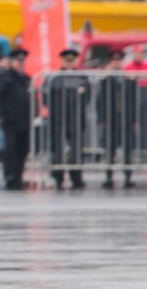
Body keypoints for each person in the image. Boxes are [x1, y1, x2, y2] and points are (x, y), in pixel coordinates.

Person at [47, 49, 88, 189]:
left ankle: (76, 177)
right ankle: (58, 177)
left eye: (72, 61)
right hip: (58, 120)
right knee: (58, 150)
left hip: (76, 119)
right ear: (62, 61)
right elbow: (47, 98)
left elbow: (87, 98)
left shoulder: (82, 78)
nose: (70, 63)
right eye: (67, 61)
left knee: (76, 150)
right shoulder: (55, 78)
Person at [0, 49, 31, 190]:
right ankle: (10, 176)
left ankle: (18, 176)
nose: (20, 64)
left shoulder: (26, 79)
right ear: (12, 62)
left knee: (22, 150)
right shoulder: (5, 78)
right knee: (11, 150)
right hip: (10, 121)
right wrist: (0, 116)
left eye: (22, 62)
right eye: (17, 61)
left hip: (24, 121)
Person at [98, 50, 135, 188]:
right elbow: (100, 100)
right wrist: (102, 119)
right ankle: (108, 177)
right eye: (114, 60)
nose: (117, 62)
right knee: (109, 149)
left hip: (125, 119)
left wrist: (134, 119)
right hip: (110, 119)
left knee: (128, 149)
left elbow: (133, 100)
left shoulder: (128, 79)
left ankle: (128, 177)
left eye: (119, 60)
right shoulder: (106, 79)